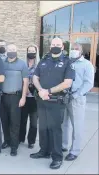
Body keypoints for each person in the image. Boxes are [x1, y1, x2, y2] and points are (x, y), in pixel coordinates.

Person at [30, 38, 75, 169]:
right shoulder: (44, 60)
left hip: (57, 101)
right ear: (50, 46)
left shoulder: (67, 62)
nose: (55, 46)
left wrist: (48, 91)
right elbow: (35, 77)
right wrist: (40, 90)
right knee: (43, 127)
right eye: (53, 44)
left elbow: (67, 83)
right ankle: (44, 151)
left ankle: (57, 157)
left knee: (55, 130)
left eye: (58, 45)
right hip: (42, 99)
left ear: (62, 47)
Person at [62, 43, 94, 161]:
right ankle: (63, 145)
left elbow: (89, 83)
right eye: (73, 49)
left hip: (77, 98)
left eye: (77, 49)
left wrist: (76, 94)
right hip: (64, 96)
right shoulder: (67, 62)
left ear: (81, 51)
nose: (74, 51)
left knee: (77, 125)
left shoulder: (87, 64)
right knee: (63, 123)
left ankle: (74, 151)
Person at [0, 43, 29, 156]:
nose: (11, 51)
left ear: (17, 51)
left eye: (14, 49)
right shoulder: (2, 63)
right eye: (9, 49)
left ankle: (14, 145)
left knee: (15, 122)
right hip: (3, 97)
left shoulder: (22, 64)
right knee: (4, 121)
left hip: (16, 97)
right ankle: (6, 141)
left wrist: (23, 97)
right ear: (6, 51)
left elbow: (25, 82)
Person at [19, 44, 40, 149]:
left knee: (34, 122)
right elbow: (19, 77)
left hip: (35, 98)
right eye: (29, 50)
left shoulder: (39, 65)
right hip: (24, 96)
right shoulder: (23, 64)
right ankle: (20, 138)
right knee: (22, 120)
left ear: (36, 52)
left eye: (33, 50)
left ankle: (31, 141)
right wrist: (25, 87)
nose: (31, 52)